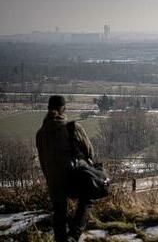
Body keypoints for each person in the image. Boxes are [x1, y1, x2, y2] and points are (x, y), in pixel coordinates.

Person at [36, 95, 94, 242]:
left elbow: (42, 160)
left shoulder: (40, 134)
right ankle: (74, 235)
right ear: (63, 109)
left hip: (53, 181)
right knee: (87, 198)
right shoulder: (72, 128)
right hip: (72, 177)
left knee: (59, 213)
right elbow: (90, 152)